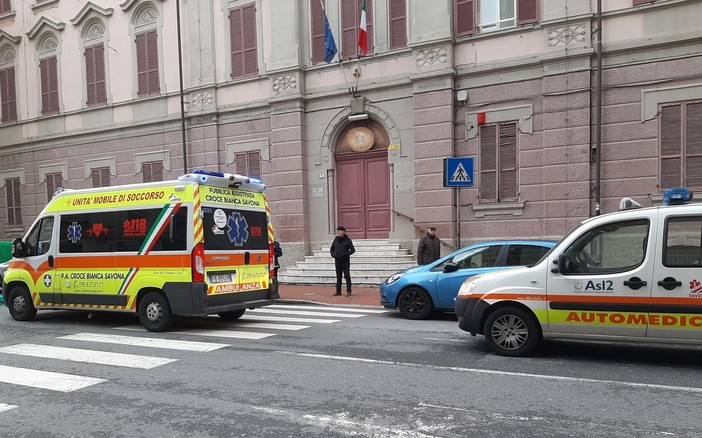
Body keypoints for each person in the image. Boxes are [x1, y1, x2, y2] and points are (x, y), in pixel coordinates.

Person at [330, 226, 355, 296]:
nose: (337, 233)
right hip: (337, 261)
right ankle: (338, 291)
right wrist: (333, 254)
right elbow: (331, 249)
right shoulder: (336, 240)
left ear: (343, 232)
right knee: (338, 276)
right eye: (337, 232)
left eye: (339, 232)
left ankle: (349, 290)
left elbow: (352, 250)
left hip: (345, 261)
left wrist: (345, 254)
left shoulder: (348, 240)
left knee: (347, 275)